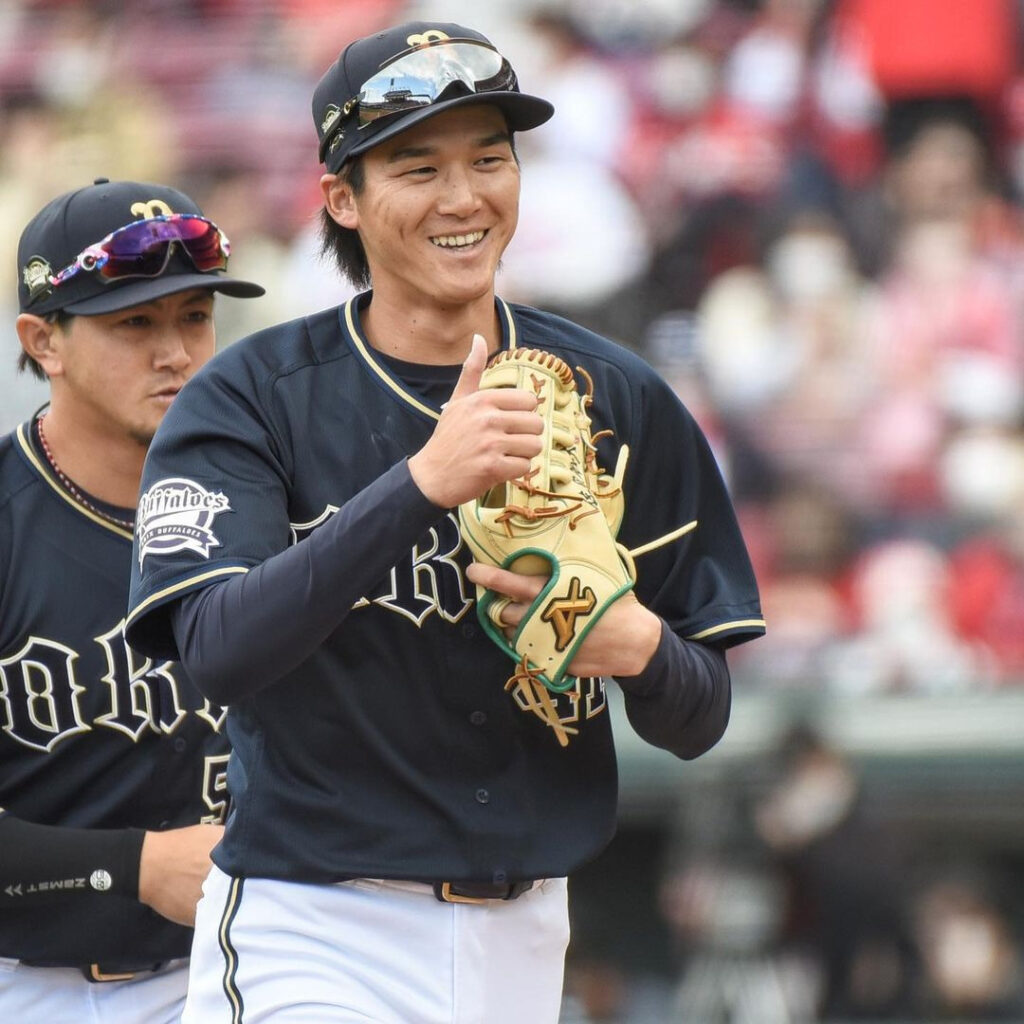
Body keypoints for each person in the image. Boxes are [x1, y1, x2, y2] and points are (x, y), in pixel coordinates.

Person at [125, 21, 766, 1024]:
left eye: (490, 158)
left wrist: (640, 648)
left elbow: (699, 715)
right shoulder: (250, 396)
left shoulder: (619, 397)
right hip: (313, 925)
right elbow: (215, 651)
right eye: (417, 166)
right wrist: (421, 483)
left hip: (529, 934)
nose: (464, 197)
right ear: (341, 196)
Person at [0, 177, 264, 1022]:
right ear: (45, 342)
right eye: (134, 323)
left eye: (193, 316)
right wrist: (133, 866)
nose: (177, 353)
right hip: (37, 987)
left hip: (261, 974)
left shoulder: (272, 506)